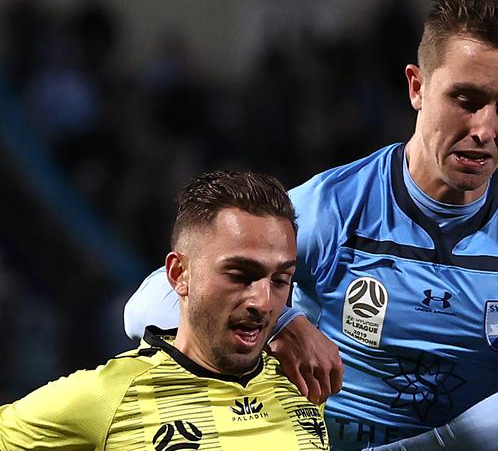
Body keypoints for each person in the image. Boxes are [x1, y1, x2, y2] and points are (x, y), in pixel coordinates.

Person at [124, 0, 498, 451]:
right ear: (417, 86)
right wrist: (282, 326)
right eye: (465, 99)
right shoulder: (334, 206)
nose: (485, 128)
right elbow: (144, 310)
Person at [0, 171, 330, 451]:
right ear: (178, 274)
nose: (263, 302)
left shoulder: (304, 382)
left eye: (281, 279)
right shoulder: (108, 396)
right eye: (240, 275)